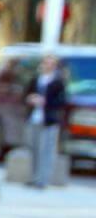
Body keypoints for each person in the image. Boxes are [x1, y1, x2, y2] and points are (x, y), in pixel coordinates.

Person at [24, 53, 70, 188]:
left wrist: (45, 101)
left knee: (47, 150)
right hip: (34, 118)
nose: (47, 65)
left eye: (51, 63)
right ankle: (33, 176)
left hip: (49, 119)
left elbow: (61, 101)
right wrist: (30, 99)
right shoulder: (36, 79)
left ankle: (42, 179)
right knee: (34, 148)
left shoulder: (58, 82)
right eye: (45, 62)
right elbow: (26, 94)